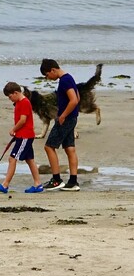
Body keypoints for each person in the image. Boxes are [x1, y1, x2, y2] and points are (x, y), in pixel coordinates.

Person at [0, 82, 43, 194]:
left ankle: (5, 185)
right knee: (30, 160)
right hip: (23, 135)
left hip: (25, 136)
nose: (10, 99)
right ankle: (38, 184)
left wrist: (13, 129)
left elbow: (23, 120)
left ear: (15, 93)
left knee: (12, 158)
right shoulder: (19, 102)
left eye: (10, 97)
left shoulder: (24, 102)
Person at [40, 59, 80, 191]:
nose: (47, 78)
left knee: (49, 147)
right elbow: (77, 98)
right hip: (72, 118)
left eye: (47, 75)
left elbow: (74, 100)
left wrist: (63, 115)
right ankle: (73, 181)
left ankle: (56, 180)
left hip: (66, 119)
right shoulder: (69, 78)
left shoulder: (65, 80)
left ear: (53, 70)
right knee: (69, 148)